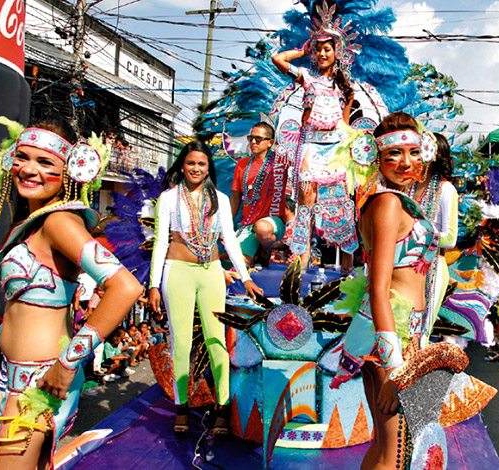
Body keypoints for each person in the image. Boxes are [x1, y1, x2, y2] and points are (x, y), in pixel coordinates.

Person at [0, 117, 142, 469]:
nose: (29, 169)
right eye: (23, 157)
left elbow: (125, 286)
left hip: (39, 381)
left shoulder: (60, 222)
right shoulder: (33, 222)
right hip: (12, 375)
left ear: (70, 170)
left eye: (45, 162)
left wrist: (67, 364)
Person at [330, 113, 448, 468]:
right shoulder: (388, 204)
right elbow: (378, 287)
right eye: (394, 154)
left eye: (413, 152)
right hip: (388, 335)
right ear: (376, 158)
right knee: (395, 452)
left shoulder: (394, 201)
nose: (406, 162)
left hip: (401, 331)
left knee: (390, 446)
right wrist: (395, 364)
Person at [148, 141, 264, 438]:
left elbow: (229, 239)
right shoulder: (169, 198)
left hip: (211, 272)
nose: (196, 169)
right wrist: (153, 285)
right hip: (177, 274)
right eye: (190, 163)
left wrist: (245, 277)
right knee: (181, 345)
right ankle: (182, 408)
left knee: (217, 343)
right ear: (182, 166)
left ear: (208, 168)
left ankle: (222, 410)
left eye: (201, 164)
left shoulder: (220, 199)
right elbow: (161, 243)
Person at [271, 8, 360, 268]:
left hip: (335, 152)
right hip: (310, 147)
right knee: (305, 209)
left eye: (326, 49)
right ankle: (300, 269)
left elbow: (344, 125)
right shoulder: (306, 78)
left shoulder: (346, 88)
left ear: (337, 53)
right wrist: (303, 49)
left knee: (341, 210)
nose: (321, 54)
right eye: (318, 49)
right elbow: (278, 59)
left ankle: (346, 273)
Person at [409, 133, 458, 319]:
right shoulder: (410, 187)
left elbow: (450, 238)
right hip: (405, 265)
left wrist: (415, 235)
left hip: (432, 267)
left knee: (420, 328)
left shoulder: (446, 190)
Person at [230, 122, 288, 267]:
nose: (253, 142)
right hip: (247, 224)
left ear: (270, 143)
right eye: (250, 138)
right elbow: (236, 197)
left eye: (258, 138)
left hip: (272, 224)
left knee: (262, 228)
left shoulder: (280, 162)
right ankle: (253, 254)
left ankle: (265, 249)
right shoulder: (242, 165)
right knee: (239, 264)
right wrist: (227, 224)